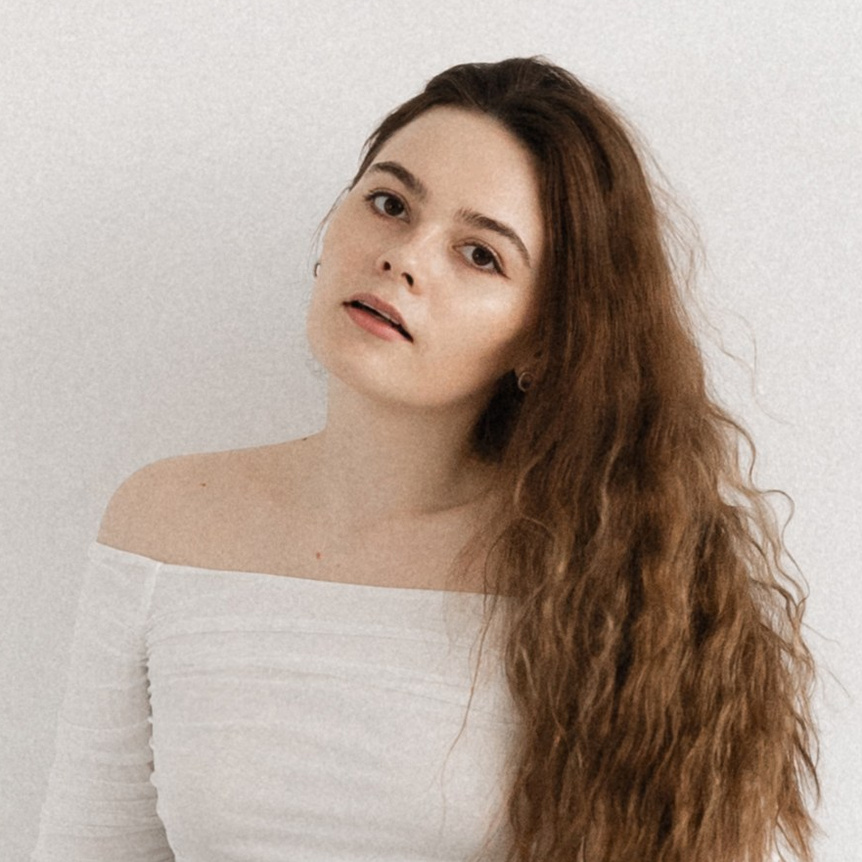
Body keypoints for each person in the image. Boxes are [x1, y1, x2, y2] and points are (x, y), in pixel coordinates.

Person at [32, 56, 819, 862]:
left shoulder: (614, 579)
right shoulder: (165, 523)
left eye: (480, 255)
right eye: (390, 204)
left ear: (545, 339)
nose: (404, 257)